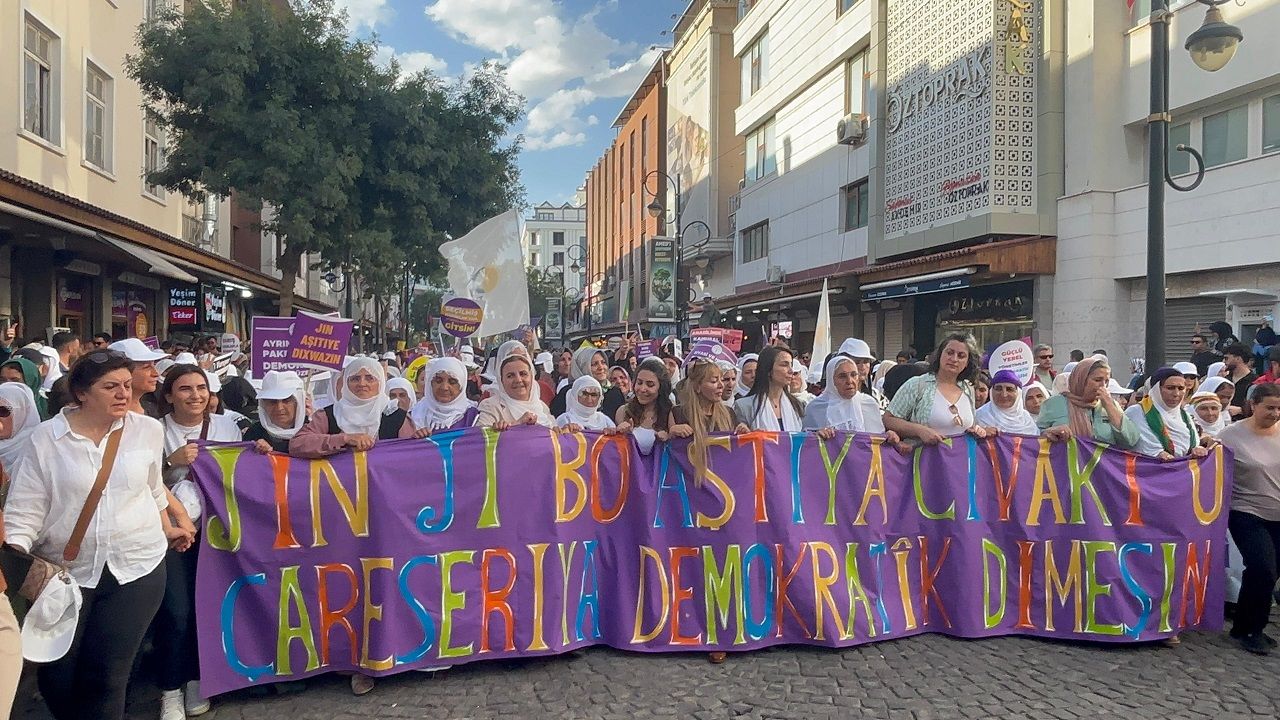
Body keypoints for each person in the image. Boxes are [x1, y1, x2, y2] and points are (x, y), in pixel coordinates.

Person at [4, 350, 190, 720]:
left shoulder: (147, 431)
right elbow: (25, 509)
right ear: (82, 394)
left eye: (125, 385)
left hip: (137, 569)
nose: (123, 394)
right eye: (110, 387)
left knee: (107, 677)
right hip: (64, 574)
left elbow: (152, 488)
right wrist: (15, 556)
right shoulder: (46, 440)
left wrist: (171, 526)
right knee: (58, 675)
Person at [157, 365, 244, 719]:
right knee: (176, 612)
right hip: (171, 535)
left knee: (207, 605)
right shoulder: (154, 430)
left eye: (201, 388)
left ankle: (199, 679)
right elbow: (136, 479)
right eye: (184, 389)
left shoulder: (227, 425)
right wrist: (169, 462)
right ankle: (170, 689)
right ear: (168, 396)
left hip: (218, 533)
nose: (195, 395)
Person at [1219, 382, 1280, 654]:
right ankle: (1252, 630)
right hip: (1246, 511)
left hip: (1278, 513)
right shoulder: (1230, 436)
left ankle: (1244, 624)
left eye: (1279, 408)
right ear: (1252, 405)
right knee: (1262, 568)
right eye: (1269, 407)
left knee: (1270, 573)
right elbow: (1209, 460)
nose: (1275, 413)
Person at [290, 357, 415, 459]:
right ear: (346, 382)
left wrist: (421, 437)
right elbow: (297, 444)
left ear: (381, 382)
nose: (362, 383)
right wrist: (344, 439)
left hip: (382, 487)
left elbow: (411, 457)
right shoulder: (328, 415)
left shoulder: (397, 417)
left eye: (369, 378)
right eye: (355, 378)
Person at [883, 334, 994, 444]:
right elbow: (889, 419)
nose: (954, 359)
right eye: (949, 353)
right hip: (926, 459)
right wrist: (919, 430)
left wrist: (976, 430)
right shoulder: (917, 385)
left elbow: (969, 425)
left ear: (967, 363)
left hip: (962, 458)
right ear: (940, 355)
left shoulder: (968, 388)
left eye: (961, 356)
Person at [1037, 357, 1138, 448]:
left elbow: (1131, 440)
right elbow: (1035, 439)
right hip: (1065, 466)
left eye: (1106, 381)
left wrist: (1109, 406)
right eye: (1098, 380)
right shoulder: (1054, 404)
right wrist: (1048, 433)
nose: (1103, 386)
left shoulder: (1110, 405)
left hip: (1101, 467)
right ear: (1081, 379)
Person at [803, 354, 899, 440]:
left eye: (854, 375)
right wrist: (817, 436)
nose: (850, 381)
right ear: (831, 380)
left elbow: (878, 440)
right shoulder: (816, 408)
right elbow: (806, 446)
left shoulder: (868, 403)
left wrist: (888, 436)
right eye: (842, 376)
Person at [1123, 368, 1209, 460]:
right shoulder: (1137, 412)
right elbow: (1142, 446)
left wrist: (1198, 450)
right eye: (1170, 388)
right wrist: (1160, 454)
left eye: (1181, 388)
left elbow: (1193, 445)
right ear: (1157, 389)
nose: (1176, 393)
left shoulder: (1185, 416)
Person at [734, 346, 806, 432]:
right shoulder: (744, 407)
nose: (791, 371)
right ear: (768, 369)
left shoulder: (797, 405)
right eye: (784, 365)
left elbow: (805, 439)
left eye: (791, 365)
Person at [476, 353, 555, 430]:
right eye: (510, 376)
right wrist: (516, 424)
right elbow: (478, 437)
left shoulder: (542, 407)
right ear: (501, 381)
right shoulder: (491, 406)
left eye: (523, 374)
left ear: (531, 378)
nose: (518, 380)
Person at [615, 358, 674, 455]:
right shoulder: (623, 411)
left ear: (662, 387)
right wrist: (620, 434)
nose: (642, 389)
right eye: (639, 383)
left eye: (650, 385)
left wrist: (669, 439)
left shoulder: (672, 412)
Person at [409, 357, 479, 434]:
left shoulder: (473, 416)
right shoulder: (415, 413)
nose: (444, 387)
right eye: (438, 381)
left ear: (461, 386)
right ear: (430, 383)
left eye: (452, 382)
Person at [246, 370, 308, 453]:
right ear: (263, 404)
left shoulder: (314, 429)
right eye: (272, 402)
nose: (279, 408)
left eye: (286, 400)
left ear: (298, 402)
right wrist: (255, 453)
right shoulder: (254, 434)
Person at [974, 370, 1041, 435]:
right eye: (998, 389)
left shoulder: (1026, 419)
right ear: (991, 391)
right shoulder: (979, 416)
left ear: (1018, 393)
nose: (1004, 394)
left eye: (1009, 389)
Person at [550, 347, 608, 417]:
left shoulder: (613, 391)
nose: (601, 367)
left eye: (603, 362)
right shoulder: (568, 392)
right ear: (581, 367)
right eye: (594, 364)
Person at [0, 355, 49, 419]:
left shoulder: (47, 408)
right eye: (2, 380)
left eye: (15, 380)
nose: (7, 384)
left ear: (30, 382)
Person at [1221, 343, 1256, 419]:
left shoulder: (1255, 382)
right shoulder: (1224, 380)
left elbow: (1261, 405)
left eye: (1226, 358)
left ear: (1238, 359)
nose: (1224, 361)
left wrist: (1241, 410)